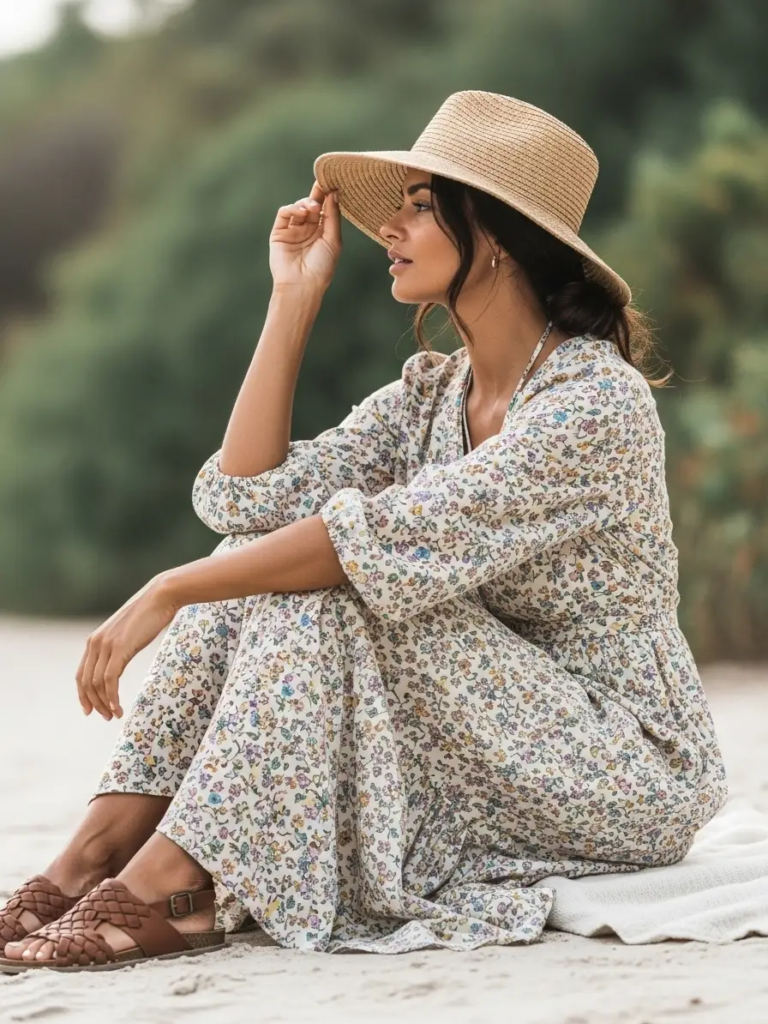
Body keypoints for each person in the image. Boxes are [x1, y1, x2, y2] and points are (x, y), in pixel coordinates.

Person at [0, 90, 728, 971]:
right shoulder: (431, 396)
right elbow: (245, 504)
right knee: (257, 560)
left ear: (494, 234)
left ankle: (175, 882)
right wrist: (292, 300)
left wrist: (165, 588)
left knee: (321, 578)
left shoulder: (593, 407)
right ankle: (95, 857)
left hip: (620, 764)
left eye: (421, 207)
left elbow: (364, 546)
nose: (391, 228)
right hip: (497, 736)